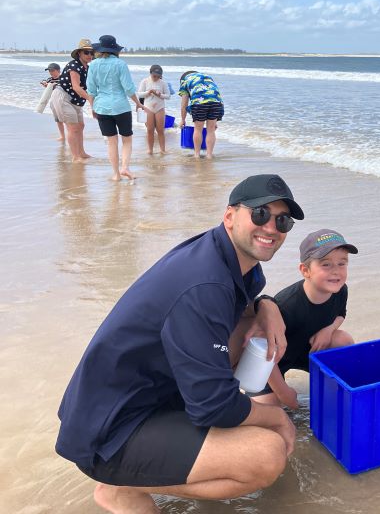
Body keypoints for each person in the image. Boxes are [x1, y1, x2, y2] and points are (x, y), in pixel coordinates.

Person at [56, 173, 303, 513]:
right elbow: (213, 406)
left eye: (283, 221)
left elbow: (247, 303)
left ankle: (175, 453)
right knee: (266, 454)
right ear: (229, 216)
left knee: (249, 326)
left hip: (145, 398)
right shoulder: (204, 285)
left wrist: (267, 306)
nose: (272, 227)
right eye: (260, 214)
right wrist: (276, 418)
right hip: (111, 431)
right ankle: (119, 488)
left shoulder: (231, 260)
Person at [254, 229, 357, 409]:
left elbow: (341, 314)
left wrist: (329, 329)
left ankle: (330, 390)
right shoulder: (286, 306)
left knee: (343, 340)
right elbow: (265, 354)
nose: (336, 272)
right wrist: (284, 393)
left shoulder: (340, 290)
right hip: (272, 361)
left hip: (306, 352)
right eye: (326, 265)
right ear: (305, 270)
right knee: (270, 412)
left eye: (342, 263)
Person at [86, 35, 143, 181]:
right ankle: (125, 167)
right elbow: (129, 88)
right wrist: (138, 103)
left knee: (111, 142)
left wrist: (92, 107)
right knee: (127, 139)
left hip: (101, 107)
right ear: (114, 49)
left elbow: (91, 90)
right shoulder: (120, 64)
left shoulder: (93, 65)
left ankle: (116, 174)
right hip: (121, 107)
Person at [49, 39, 94, 162]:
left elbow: (88, 86)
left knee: (81, 125)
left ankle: (81, 152)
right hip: (63, 96)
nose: (90, 55)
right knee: (73, 128)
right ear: (79, 53)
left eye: (92, 53)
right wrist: (90, 99)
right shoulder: (74, 65)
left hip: (75, 100)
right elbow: (76, 87)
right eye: (86, 52)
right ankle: (75, 156)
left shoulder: (87, 68)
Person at [179, 70, 224, 159]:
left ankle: (196, 155)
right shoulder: (208, 77)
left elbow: (184, 104)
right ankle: (209, 155)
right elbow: (214, 95)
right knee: (211, 130)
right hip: (217, 103)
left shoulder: (185, 80)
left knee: (198, 129)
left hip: (200, 102)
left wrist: (183, 119)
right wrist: (215, 121)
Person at [137, 64, 170, 155]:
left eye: (158, 76)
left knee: (160, 130)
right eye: (154, 76)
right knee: (150, 130)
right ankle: (150, 150)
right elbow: (139, 94)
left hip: (160, 108)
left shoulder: (163, 83)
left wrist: (159, 95)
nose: (156, 78)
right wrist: (149, 92)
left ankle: (162, 150)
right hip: (148, 107)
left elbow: (168, 96)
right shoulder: (145, 81)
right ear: (150, 73)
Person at [37, 63, 65, 141]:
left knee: (67, 120)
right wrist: (45, 83)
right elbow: (43, 81)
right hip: (54, 101)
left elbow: (67, 86)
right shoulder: (50, 79)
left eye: (52, 70)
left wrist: (56, 85)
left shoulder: (63, 78)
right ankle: (63, 136)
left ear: (59, 70)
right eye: (49, 71)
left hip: (64, 102)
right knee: (58, 120)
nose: (51, 72)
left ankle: (72, 135)